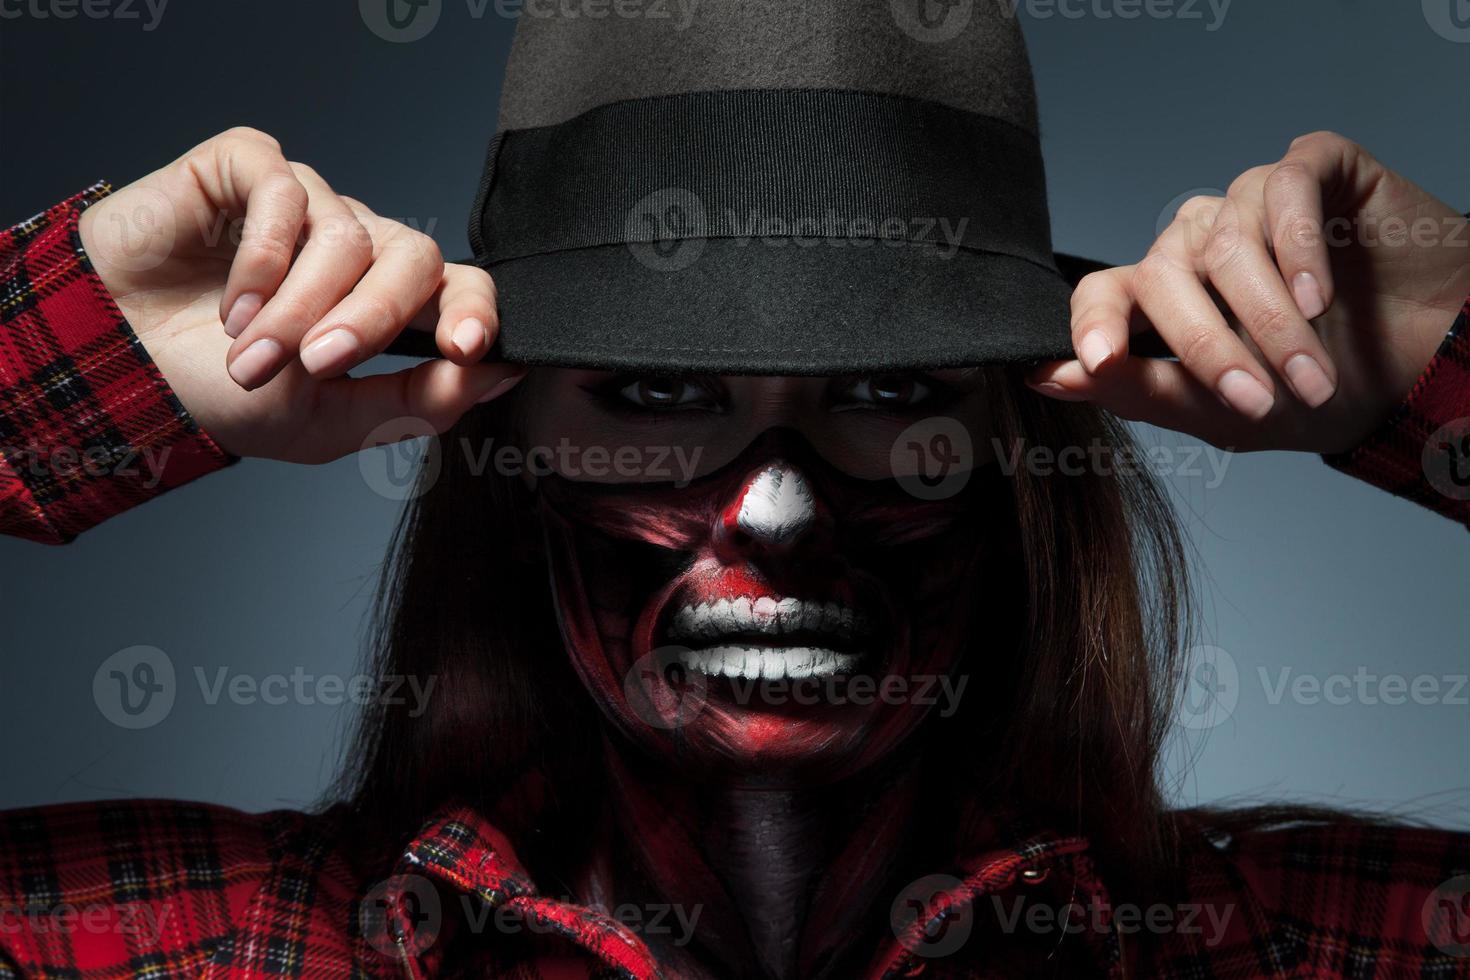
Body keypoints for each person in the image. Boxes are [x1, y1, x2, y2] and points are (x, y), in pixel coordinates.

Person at [2, 5, 1468, 978]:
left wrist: (1447, 356)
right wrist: (62, 366)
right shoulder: (185, 947)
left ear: (1023, 460)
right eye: (653, 396)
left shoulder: (1306, 946)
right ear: (508, 466)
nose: (773, 514)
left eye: (893, 394)